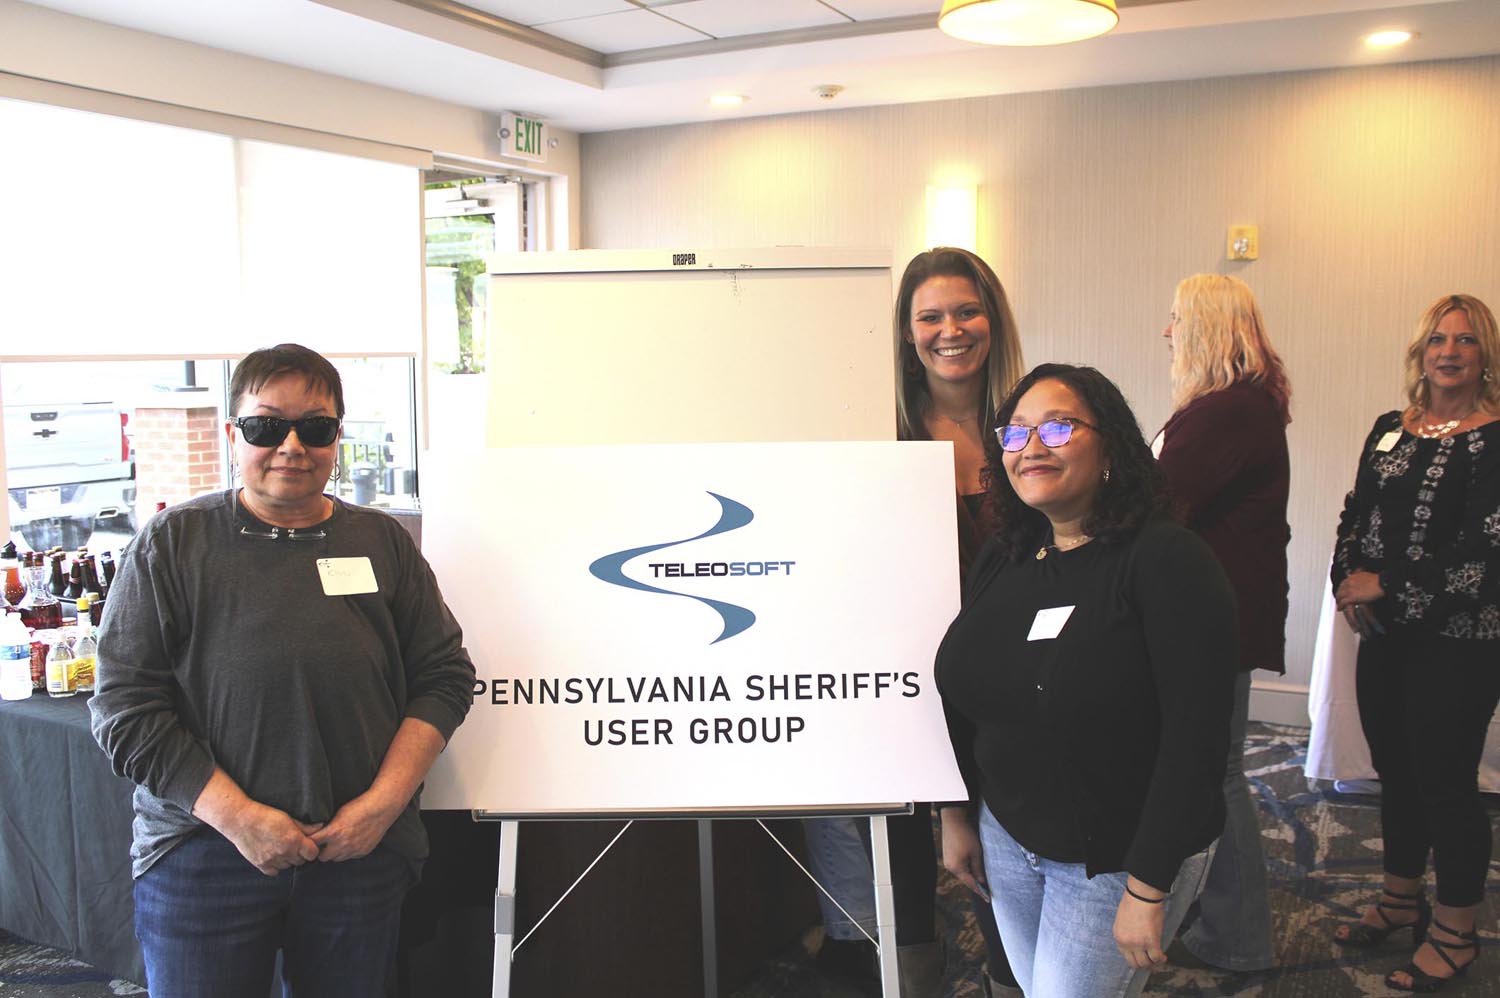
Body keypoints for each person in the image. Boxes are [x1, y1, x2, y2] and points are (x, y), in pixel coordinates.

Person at [90, 343, 476, 998]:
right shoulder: (172, 545)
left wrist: (382, 808)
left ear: (338, 438)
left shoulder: (381, 544)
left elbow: (444, 675)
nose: (292, 446)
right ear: (233, 434)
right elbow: (124, 711)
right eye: (267, 426)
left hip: (358, 855)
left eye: (315, 428)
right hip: (202, 852)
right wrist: (238, 817)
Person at [937, 363, 1237, 998]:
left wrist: (1148, 886)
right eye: (1015, 434)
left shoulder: (1167, 560)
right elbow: (966, 696)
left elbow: (1196, 741)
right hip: (1009, 837)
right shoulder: (1008, 554)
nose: (1032, 447)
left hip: (1115, 856)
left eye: (1058, 425)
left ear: (1110, 447)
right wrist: (957, 814)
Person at [804, 247, 1025, 997]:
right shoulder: (880, 434)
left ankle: (1013, 974)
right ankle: (915, 977)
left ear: (993, 319)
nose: (950, 330)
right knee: (901, 876)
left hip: (1015, 688)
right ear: (906, 332)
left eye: (966, 311)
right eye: (929, 316)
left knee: (1007, 868)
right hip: (905, 681)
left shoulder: (1031, 424)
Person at [1331, 293, 1500, 992]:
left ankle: (1457, 931)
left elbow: (1485, 549)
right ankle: (1400, 900)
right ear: (1420, 352)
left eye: (1465, 341)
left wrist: (1386, 586)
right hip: (1386, 638)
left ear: (1484, 356)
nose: (1450, 351)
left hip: (1459, 641)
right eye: (1438, 339)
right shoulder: (1387, 429)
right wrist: (1346, 580)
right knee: (1394, 772)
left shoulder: (1495, 439)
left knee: (1446, 784)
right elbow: (1355, 513)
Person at [1152, 273, 1289, 973]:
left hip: (1215, 619)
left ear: (1205, 326)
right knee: (1214, 772)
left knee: (1218, 778)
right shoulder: (1241, 405)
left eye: (1177, 319)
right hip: (1226, 612)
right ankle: (1219, 919)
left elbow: (1160, 503)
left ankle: (1237, 939)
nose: (1167, 332)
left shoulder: (1226, 412)